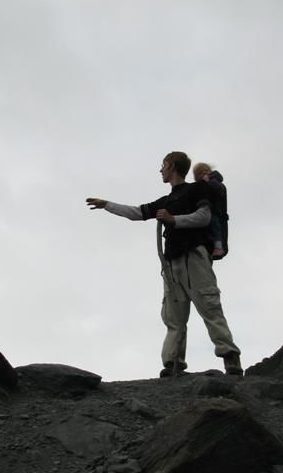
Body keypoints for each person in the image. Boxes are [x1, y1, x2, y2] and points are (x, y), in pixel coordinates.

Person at [86, 151, 242, 377]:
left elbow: (204, 217)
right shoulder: (166, 200)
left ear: (172, 166)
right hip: (171, 263)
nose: (160, 170)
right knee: (173, 316)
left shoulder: (197, 189)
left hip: (194, 257)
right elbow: (137, 213)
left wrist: (173, 220)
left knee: (209, 306)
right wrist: (107, 205)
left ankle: (230, 358)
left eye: (163, 165)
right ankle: (172, 364)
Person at [193, 162, 227, 260]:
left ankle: (218, 247)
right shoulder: (198, 186)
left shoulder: (214, 180)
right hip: (203, 212)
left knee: (215, 225)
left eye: (206, 171)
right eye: (200, 172)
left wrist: (208, 181)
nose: (204, 173)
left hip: (214, 212)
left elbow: (218, 189)